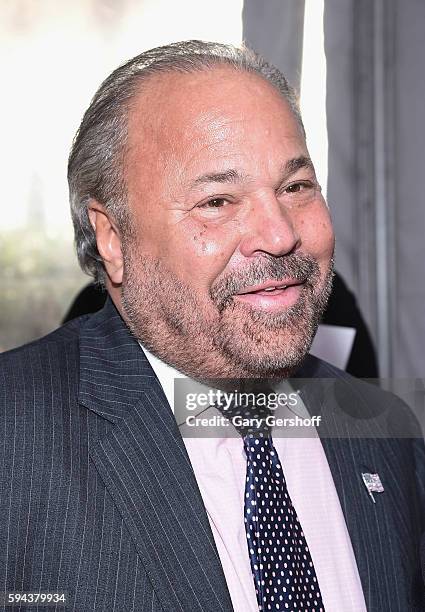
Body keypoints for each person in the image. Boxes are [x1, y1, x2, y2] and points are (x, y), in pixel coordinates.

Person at [0, 40, 423, 612]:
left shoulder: (384, 431)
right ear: (111, 237)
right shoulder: (15, 436)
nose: (279, 236)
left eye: (296, 187)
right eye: (218, 200)